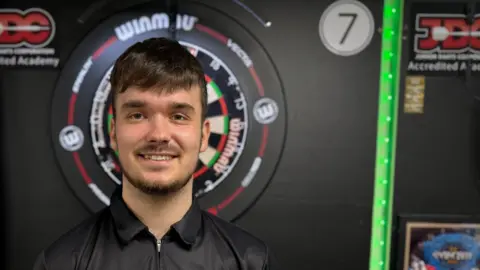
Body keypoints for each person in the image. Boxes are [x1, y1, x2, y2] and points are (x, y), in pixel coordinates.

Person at [33, 37, 277, 269]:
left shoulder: (248, 261)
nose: (158, 135)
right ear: (114, 133)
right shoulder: (61, 263)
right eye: (137, 115)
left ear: (204, 136)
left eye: (178, 116)